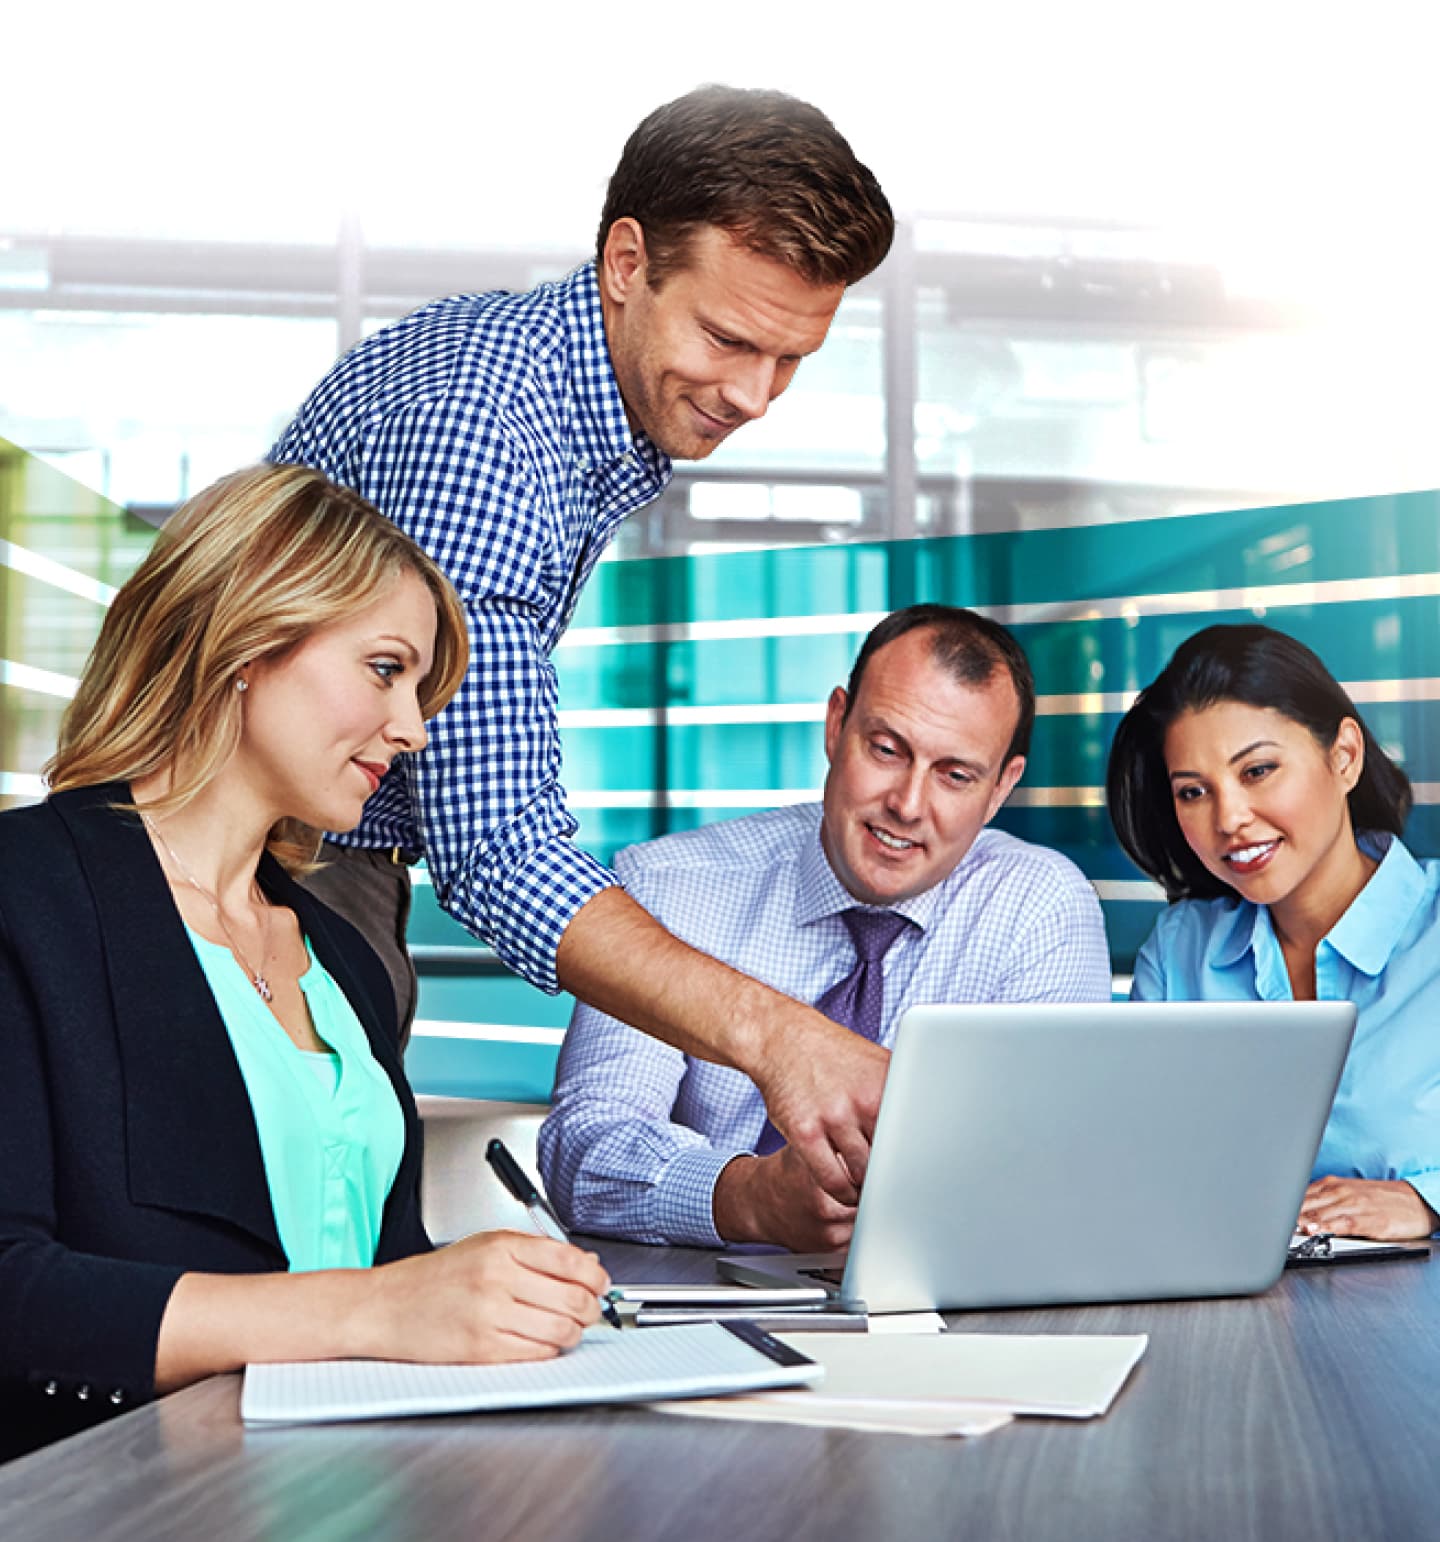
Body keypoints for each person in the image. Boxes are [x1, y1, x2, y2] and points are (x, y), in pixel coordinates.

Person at [269, 86, 897, 1204]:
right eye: (728, 339)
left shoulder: (558, 388)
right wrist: (779, 1037)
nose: (754, 396)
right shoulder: (483, 433)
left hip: (323, 849)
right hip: (268, 853)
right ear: (626, 262)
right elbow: (499, 844)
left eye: (792, 359)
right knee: (312, 1225)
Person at [0, 465, 611, 1461]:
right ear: (249, 640)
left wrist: (492, 1298)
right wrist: (375, 1309)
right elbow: (13, 1290)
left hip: (349, 1480)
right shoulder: (26, 898)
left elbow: (379, 1268)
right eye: (385, 670)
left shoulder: (339, 960)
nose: (414, 729)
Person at [538, 606, 1112, 1251]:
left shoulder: (1038, 904)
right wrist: (744, 1199)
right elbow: (581, 1146)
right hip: (698, 1314)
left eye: (955, 775)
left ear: (1002, 787)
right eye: (887, 750)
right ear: (837, 727)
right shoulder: (667, 888)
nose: (908, 804)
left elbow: (1051, 1168)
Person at [1107, 623, 1440, 1242]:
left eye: (1257, 770)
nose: (1228, 818)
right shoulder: (1182, 952)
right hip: (1224, 1310)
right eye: (1193, 791)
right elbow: (1135, 1163)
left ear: (1343, 756)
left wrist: (1428, 1201)